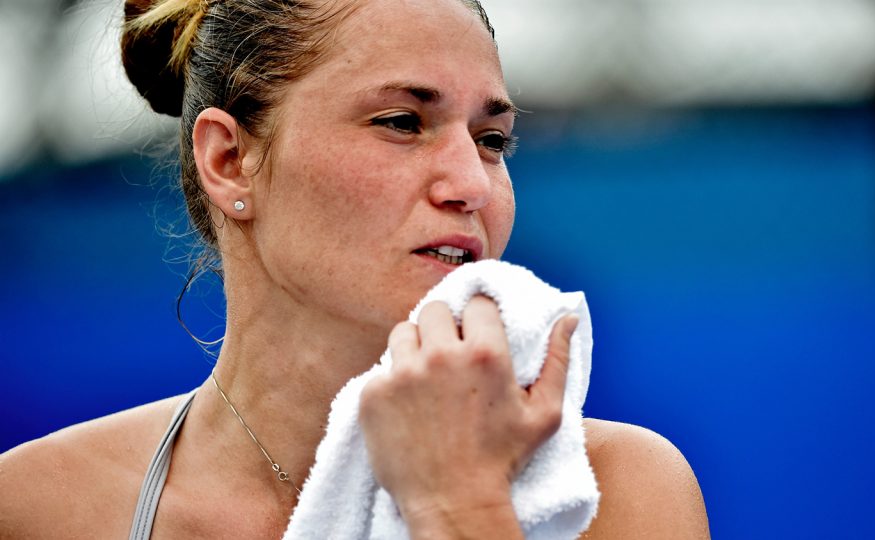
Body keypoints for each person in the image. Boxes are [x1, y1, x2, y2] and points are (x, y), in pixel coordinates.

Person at [0, 0, 710, 537]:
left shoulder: (622, 492)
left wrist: (457, 507)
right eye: (403, 122)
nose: (472, 183)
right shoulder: (36, 506)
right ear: (227, 159)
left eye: (492, 139)